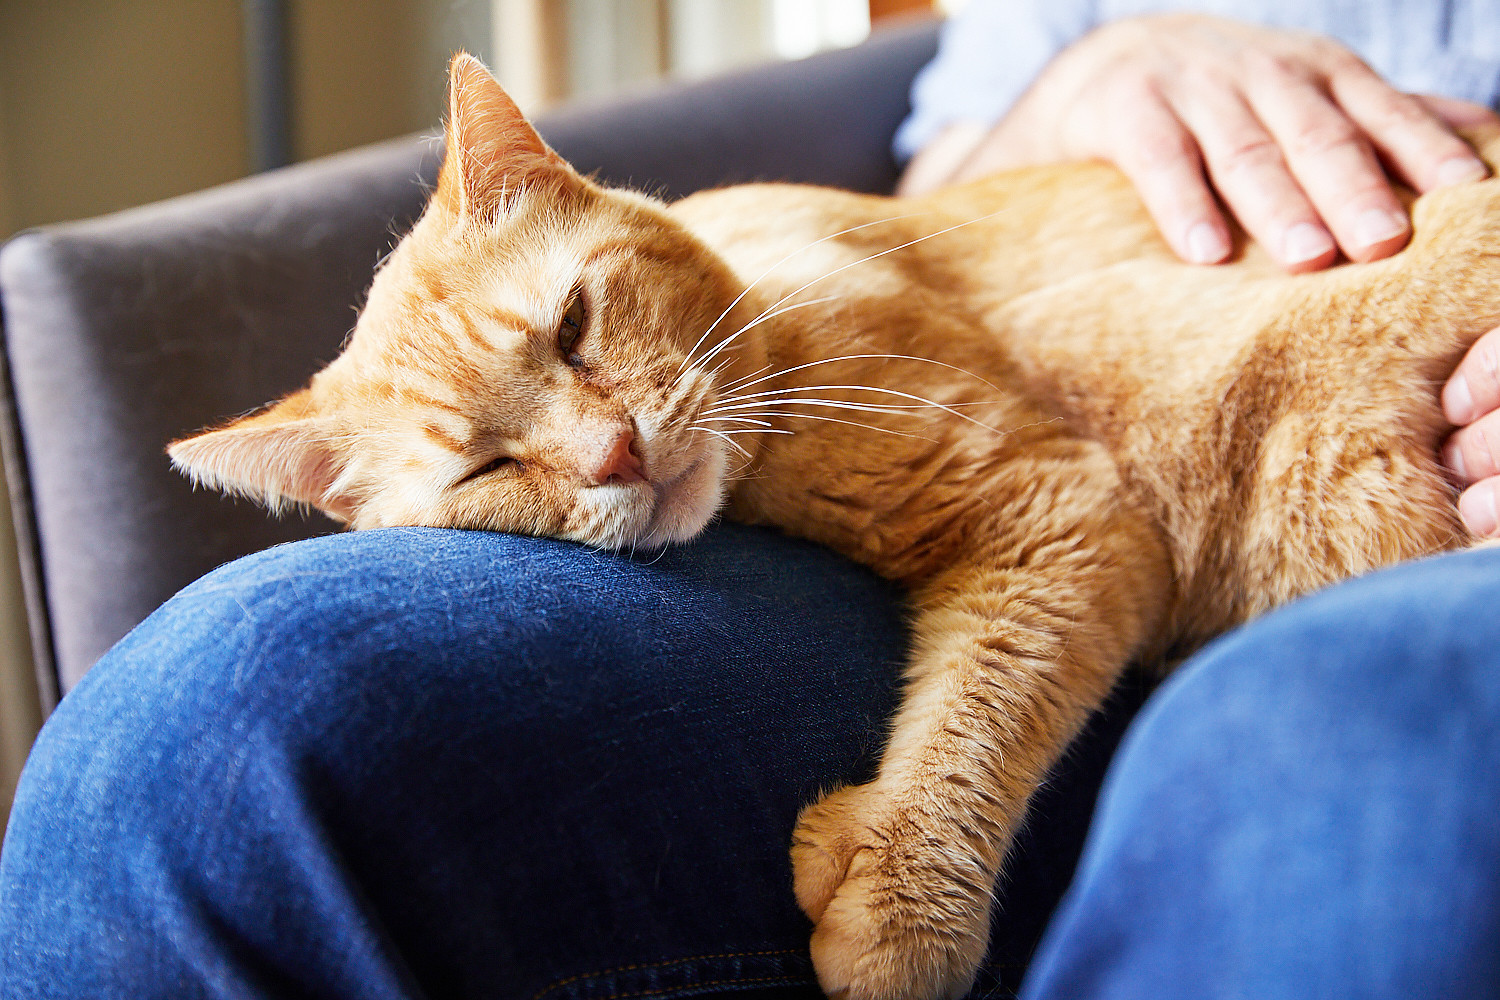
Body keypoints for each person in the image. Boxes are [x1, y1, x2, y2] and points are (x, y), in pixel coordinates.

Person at [1, 5, 1497, 999]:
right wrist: (1076, 74)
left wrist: (926, 838)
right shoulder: (680, 399)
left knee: (1338, 755)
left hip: (1381, 437)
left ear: (573, 188)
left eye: (580, 336)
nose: (602, 456)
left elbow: (1056, 520)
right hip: (928, 490)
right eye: (489, 469)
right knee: (187, 740)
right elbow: (939, 180)